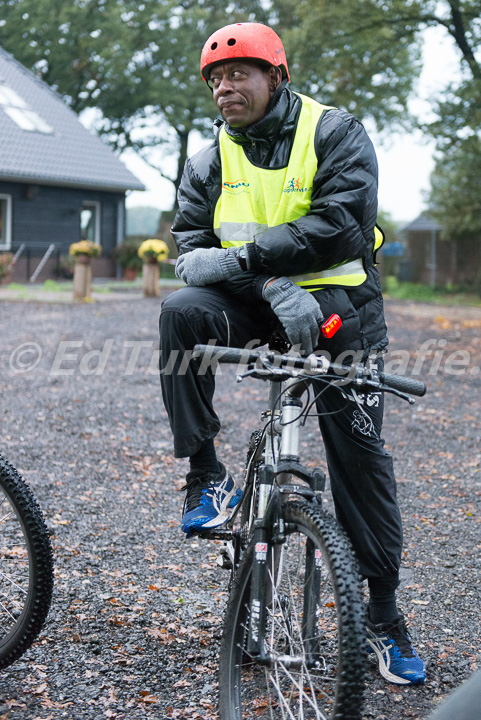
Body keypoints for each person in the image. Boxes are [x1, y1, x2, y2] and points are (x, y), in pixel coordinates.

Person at [159, 21, 426, 685]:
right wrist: (268, 282)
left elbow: (342, 224)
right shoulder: (206, 160)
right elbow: (190, 253)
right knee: (180, 314)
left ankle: (385, 620)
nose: (225, 87)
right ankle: (205, 474)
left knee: (360, 461)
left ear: (276, 77)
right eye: (215, 79)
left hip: (341, 315)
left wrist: (247, 257)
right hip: (259, 305)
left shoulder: (334, 132)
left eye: (239, 74)